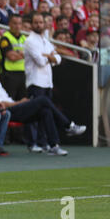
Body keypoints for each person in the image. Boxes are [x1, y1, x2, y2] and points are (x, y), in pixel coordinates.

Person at [0, 61, 86, 156]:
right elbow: (1, 104)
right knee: (43, 100)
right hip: (7, 112)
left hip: (15, 107)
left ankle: (54, 146)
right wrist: (19, 102)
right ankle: (68, 125)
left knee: (45, 111)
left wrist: (19, 102)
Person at [24, 12, 70, 155]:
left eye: (41, 22)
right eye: (36, 22)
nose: (39, 25)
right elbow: (40, 60)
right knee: (34, 114)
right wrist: (50, 57)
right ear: (31, 24)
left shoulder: (45, 40)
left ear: (45, 24)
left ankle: (45, 143)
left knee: (45, 114)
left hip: (47, 82)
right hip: (35, 81)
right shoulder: (30, 40)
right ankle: (33, 143)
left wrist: (50, 57)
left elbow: (58, 58)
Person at [0, 14, 27, 101]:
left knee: (23, 102)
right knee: (9, 101)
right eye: (15, 23)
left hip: (22, 74)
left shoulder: (24, 38)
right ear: (9, 24)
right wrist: (25, 54)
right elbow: (12, 57)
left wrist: (19, 53)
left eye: (19, 24)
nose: (17, 26)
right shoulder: (5, 38)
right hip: (9, 75)